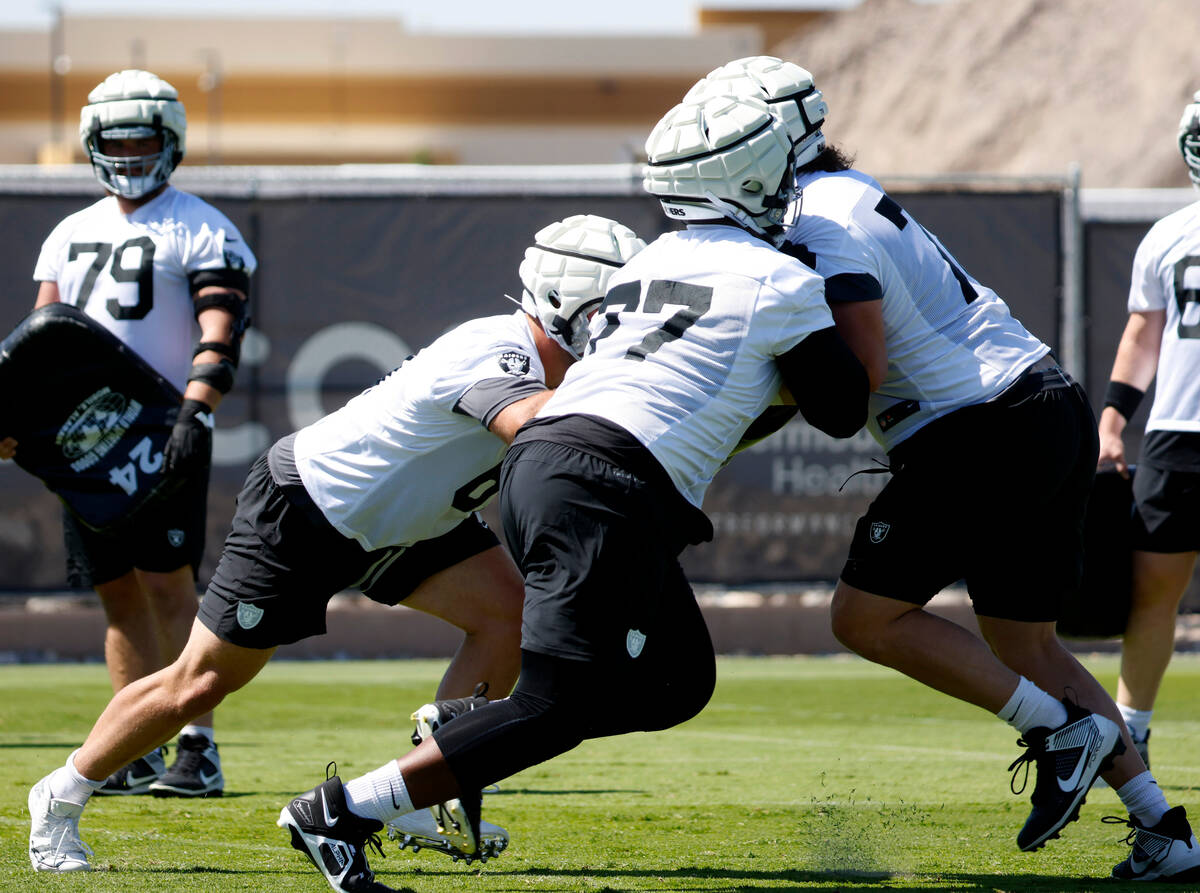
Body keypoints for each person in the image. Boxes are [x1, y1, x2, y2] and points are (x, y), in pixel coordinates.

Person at [276, 93, 870, 893]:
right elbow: (841, 409)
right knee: (555, 704)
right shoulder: (782, 277)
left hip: (556, 468)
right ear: (748, 185)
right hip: (603, 484)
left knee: (679, 680)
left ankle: (470, 732)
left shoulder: (654, 258)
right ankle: (342, 809)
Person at [691, 56, 1200, 883]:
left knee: (863, 617)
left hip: (977, 423)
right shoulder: (845, 192)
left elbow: (856, 366)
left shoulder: (819, 218)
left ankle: (1056, 729)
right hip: (1039, 400)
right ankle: (1163, 825)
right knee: (1027, 643)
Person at [26, 213, 646, 876]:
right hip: (309, 507)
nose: (619, 333)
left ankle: (416, 791)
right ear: (559, 302)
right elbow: (535, 430)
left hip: (410, 517)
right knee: (199, 680)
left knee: (507, 614)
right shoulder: (502, 349)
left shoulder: (560, 364)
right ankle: (59, 795)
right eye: (608, 314)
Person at [0, 69, 256, 800]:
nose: (131, 151)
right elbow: (37, 345)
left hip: (165, 423)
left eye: (144, 138)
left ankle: (197, 747)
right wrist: (14, 419)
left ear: (171, 141)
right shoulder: (69, 232)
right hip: (87, 436)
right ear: (92, 145)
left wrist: (196, 408)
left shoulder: (203, 224)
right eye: (117, 140)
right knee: (116, 595)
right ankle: (133, 746)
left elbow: (221, 327)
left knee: (171, 589)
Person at [1096, 93, 1200, 776]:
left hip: (1176, 433)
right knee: (1152, 588)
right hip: (1177, 430)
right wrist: (1113, 416)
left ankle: (1130, 731)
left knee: (1154, 592)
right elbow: (1143, 337)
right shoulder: (1168, 234)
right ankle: (1131, 731)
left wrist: (1114, 416)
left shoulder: (1171, 233)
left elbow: (1143, 338)